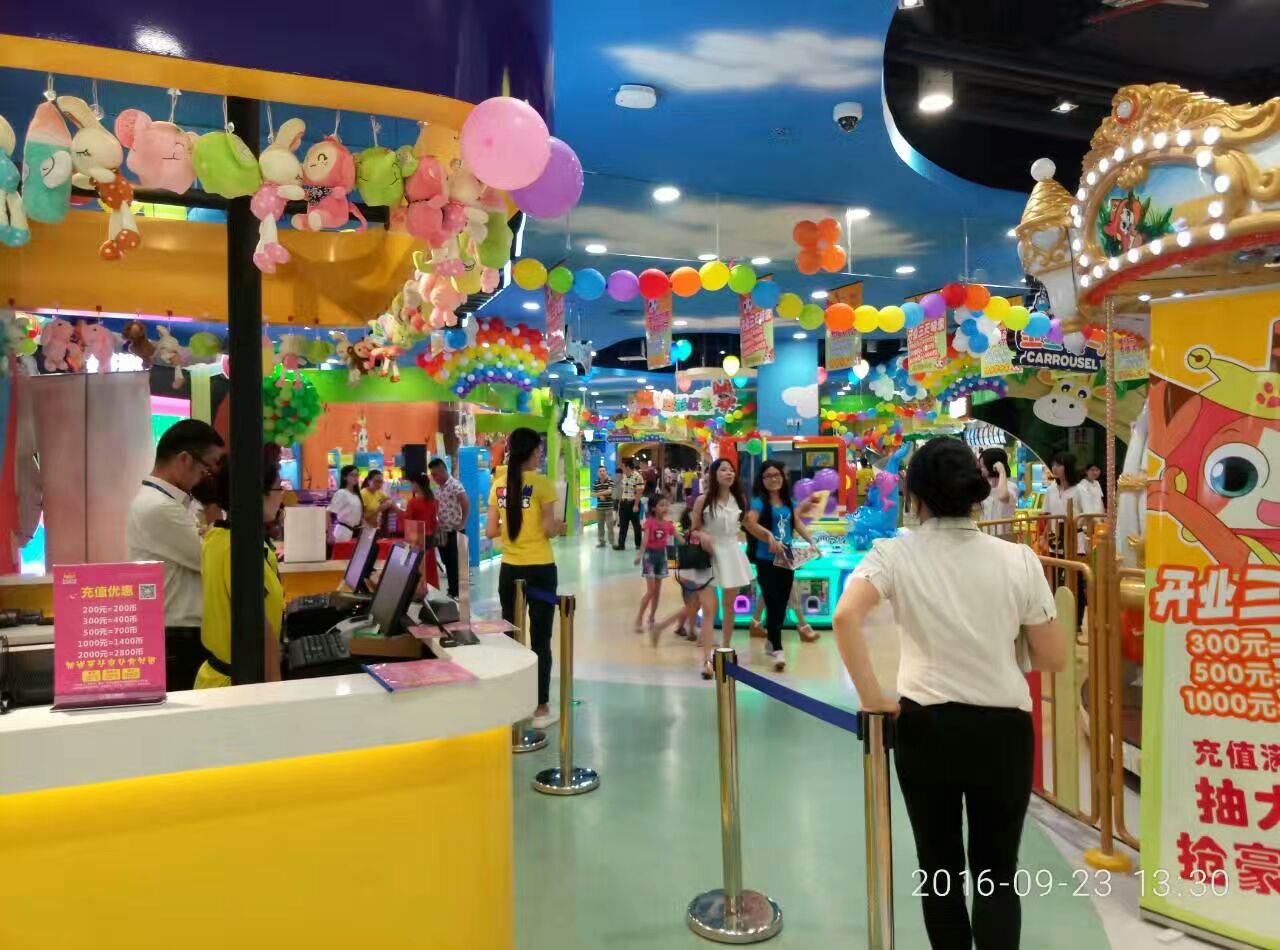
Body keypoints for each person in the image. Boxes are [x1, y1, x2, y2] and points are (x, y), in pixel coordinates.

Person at [832, 437, 1065, 949]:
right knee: (997, 872)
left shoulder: (893, 553)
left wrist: (873, 698)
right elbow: (1053, 658)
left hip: (925, 726)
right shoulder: (1019, 559)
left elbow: (845, 616)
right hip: (1004, 730)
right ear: (976, 492)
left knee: (938, 869)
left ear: (913, 496)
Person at [125, 419, 226, 691]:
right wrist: (213, 521)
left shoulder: (173, 502)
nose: (207, 476)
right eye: (207, 467)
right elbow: (212, 558)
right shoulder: (159, 507)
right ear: (184, 459)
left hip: (183, 634)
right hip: (179, 638)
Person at [487, 428, 566, 729]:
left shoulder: (499, 484)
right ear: (533, 452)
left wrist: (512, 529)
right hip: (540, 569)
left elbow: (490, 531)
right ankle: (540, 707)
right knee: (541, 638)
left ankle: (513, 702)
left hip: (509, 570)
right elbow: (547, 529)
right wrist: (559, 527)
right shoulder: (542, 484)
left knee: (512, 635)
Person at [195, 449, 286, 689]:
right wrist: (277, 692)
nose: (282, 496)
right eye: (278, 488)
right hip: (238, 685)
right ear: (257, 493)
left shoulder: (220, 536)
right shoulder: (239, 548)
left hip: (229, 680)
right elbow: (260, 627)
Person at [744, 461, 817, 672]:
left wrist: (811, 541)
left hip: (787, 559)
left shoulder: (788, 502)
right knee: (773, 602)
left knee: (782, 604)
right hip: (766, 560)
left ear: (783, 478)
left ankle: (771, 640)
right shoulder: (759, 503)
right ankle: (777, 649)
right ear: (762, 480)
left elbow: (796, 523)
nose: (773, 479)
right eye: (768, 476)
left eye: (776, 475)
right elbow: (748, 522)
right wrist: (768, 536)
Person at [691, 457, 753, 649]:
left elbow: (746, 525)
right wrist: (702, 535)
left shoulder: (739, 499)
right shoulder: (702, 500)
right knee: (709, 607)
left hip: (732, 553)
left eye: (731, 470)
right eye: (723, 470)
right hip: (708, 555)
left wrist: (766, 537)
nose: (729, 473)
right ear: (714, 474)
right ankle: (706, 644)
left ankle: (726, 646)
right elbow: (693, 530)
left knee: (729, 605)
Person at [652, 506, 719, 678]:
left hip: (689, 572)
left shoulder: (690, 533)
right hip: (694, 573)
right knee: (696, 605)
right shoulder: (697, 534)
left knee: (693, 605)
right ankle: (683, 630)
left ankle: (683, 629)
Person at [633, 493, 677, 637]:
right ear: (653, 508)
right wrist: (639, 555)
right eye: (661, 505)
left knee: (657, 591)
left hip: (661, 558)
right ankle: (639, 618)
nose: (665, 508)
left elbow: (679, 538)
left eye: (666, 505)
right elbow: (645, 540)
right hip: (649, 557)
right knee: (651, 591)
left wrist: (691, 542)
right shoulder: (649, 523)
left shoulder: (668, 525)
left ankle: (652, 617)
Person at [428, 458, 469, 599]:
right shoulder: (439, 488)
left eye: (435, 474)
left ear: (443, 470)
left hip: (455, 531)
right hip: (442, 531)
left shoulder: (455, 485)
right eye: (432, 475)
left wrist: (463, 522)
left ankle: (456, 592)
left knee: (454, 562)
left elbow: (465, 502)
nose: (434, 478)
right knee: (447, 561)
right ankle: (452, 589)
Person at [404, 473, 440, 590]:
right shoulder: (433, 501)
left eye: (412, 484)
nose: (411, 486)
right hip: (429, 538)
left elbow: (409, 523)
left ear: (416, 484)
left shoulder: (413, 502)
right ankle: (424, 590)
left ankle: (418, 591)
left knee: (415, 568)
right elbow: (434, 522)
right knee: (427, 567)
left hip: (417, 539)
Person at [978, 448, 1018, 535]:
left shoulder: (1011, 486)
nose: (981, 469)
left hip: (1003, 536)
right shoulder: (984, 487)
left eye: (983, 466)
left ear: (992, 466)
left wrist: (1002, 471)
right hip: (985, 535)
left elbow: (1003, 496)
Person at [327, 464, 364, 543]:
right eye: (352, 475)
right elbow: (328, 513)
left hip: (354, 532)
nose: (355, 477)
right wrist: (330, 533)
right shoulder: (341, 493)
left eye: (357, 475)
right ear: (344, 477)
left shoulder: (356, 494)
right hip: (343, 532)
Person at [614, 458, 644, 550]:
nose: (622, 468)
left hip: (633, 503)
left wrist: (636, 505)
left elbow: (639, 491)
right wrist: (620, 502)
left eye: (623, 466)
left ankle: (638, 544)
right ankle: (621, 544)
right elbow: (622, 490)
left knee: (636, 525)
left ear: (627, 467)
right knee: (623, 525)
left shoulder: (637, 476)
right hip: (624, 503)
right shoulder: (624, 476)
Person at [592, 463, 616, 549]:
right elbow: (592, 494)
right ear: (598, 473)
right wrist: (599, 496)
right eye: (600, 471)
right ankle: (601, 542)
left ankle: (612, 542)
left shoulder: (610, 481)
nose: (602, 472)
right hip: (600, 508)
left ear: (606, 472)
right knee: (600, 525)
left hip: (609, 507)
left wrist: (598, 494)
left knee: (610, 526)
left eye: (603, 471)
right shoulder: (596, 482)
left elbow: (609, 491)